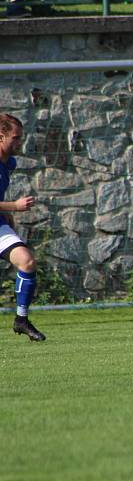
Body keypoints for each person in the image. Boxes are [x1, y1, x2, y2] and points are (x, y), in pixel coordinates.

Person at [0, 114, 43, 341]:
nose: (19, 143)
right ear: (1, 136)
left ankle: (21, 319)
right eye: (15, 138)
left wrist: (5, 212)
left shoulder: (9, 163)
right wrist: (14, 207)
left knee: (27, 261)